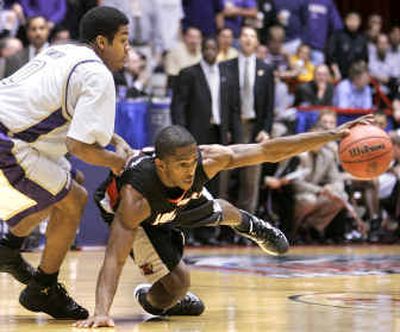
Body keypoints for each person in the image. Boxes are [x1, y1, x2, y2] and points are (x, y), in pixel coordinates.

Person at [75, 115, 373, 328]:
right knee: (177, 285)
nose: (191, 171)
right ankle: (150, 298)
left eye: (193, 163)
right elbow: (113, 259)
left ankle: (251, 225)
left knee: (223, 210)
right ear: (162, 165)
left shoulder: (204, 161)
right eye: (182, 165)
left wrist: (330, 135)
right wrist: (102, 312)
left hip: (175, 202)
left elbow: (268, 151)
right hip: (145, 218)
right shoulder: (134, 199)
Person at [0, 6, 131, 320]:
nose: (128, 49)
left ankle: (8, 247)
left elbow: (66, 112)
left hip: (16, 136)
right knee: (74, 199)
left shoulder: (62, 52)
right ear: (102, 41)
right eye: (124, 40)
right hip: (8, 144)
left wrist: (113, 140)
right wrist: (119, 164)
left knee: (68, 184)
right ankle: (43, 288)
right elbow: (80, 146)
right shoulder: (98, 74)